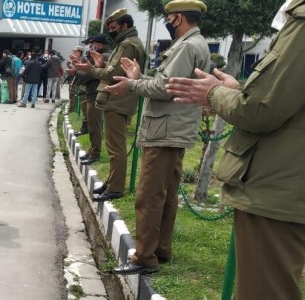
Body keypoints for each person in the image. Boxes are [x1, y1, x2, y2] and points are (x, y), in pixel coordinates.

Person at [164, 0, 305, 298]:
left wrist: (213, 93)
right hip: (296, 179)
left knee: (264, 292)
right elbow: (302, 103)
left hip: (279, 182)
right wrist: (235, 91)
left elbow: (260, 111)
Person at [104, 0, 212, 275]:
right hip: (174, 129)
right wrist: (140, 77)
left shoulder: (186, 46)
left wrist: (131, 84)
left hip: (165, 130)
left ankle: (144, 257)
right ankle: (160, 249)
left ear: (177, 19)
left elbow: (164, 87)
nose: (168, 23)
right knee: (166, 194)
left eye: (169, 18)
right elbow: (168, 81)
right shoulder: (194, 44)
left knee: (150, 195)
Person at [86, 8, 145, 201]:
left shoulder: (128, 44)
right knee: (113, 146)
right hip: (117, 99)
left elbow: (114, 74)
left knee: (116, 147)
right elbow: (112, 69)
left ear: (124, 26)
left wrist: (93, 69)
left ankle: (116, 187)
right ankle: (112, 182)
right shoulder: (126, 43)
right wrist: (101, 66)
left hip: (118, 100)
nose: (111, 31)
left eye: (113, 27)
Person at [73, 34, 112, 165]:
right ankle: (92, 150)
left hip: (96, 94)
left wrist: (77, 70)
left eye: (93, 44)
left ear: (99, 44)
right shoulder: (100, 55)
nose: (91, 47)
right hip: (92, 93)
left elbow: (91, 75)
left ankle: (95, 153)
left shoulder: (104, 57)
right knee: (92, 124)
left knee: (94, 126)